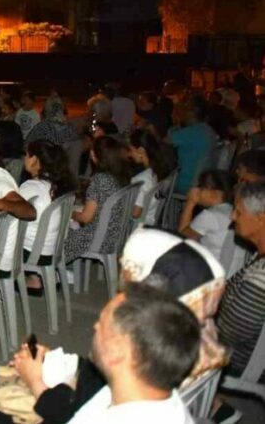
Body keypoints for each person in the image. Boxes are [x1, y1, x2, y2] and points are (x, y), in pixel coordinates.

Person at [16, 283, 200, 424]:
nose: (95, 326)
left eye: (102, 324)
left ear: (117, 352)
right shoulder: (144, 391)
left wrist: (35, 381)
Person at [217, 181, 265, 379]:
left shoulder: (260, 280)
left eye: (238, 211)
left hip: (237, 361)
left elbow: (227, 336)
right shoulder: (259, 255)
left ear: (261, 218)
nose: (232, 217)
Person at [18, 140, 77, 291]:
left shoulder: (30, 188)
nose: (24, 158)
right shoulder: (59, 185)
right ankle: (36, 278)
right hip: (53, 249)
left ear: (35, 160)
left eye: (27, 155)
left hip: (33, 254)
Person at [64, 136, 131, 264]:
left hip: (97, 239)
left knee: (57, 233)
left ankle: (61, 272)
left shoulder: (99, 180)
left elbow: (86, 218)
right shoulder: (122, 176)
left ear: (94, 155)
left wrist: (68, 212)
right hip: (115, 237)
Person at [178, 169, 236, 261]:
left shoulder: (210, 215)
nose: (196, 190)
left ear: (216, 192)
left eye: (201, 187)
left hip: (210, 266)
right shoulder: (230, 209)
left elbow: (181, 238)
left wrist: (190, 203)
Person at [126, 130, 178, 226]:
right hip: (152, 221)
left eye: (130, 150)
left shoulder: (140, 180)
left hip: (137, 227)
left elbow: (135, 213)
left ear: (141, 151)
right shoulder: (160, 170)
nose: (129, 154)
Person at [168, 98, 219, 195]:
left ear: (191, 112)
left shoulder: (190, 132)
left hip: (186, 184)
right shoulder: (208, 129)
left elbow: (162, 143)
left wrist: (174, 122)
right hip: (202, 181)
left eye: (183, 108)